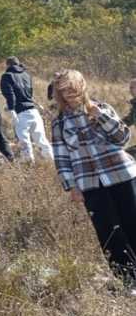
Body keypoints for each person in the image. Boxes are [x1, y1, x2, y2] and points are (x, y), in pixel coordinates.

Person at [51, 69, 136, 286]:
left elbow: (123, 138)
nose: (70, 93)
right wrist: (71, 187)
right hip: (90, 185)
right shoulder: (59, 122)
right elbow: (62, 158)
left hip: (122, 176)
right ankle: (129, 282)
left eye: (73, 88)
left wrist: (101, 116)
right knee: (109, 233)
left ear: (82, 86)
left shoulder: (102, 108)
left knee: (132, 224)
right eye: (64, 90)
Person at [0, 57, 52, 162]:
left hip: (21, 113)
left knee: (24, 142)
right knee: (42, 141)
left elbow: (10, 95)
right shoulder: (27, 75)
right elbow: (28, 94)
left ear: (8, 65)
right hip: (33, 111)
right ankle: (52, 162)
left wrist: (11, 109)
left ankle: (28, 164)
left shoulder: (7, 76)